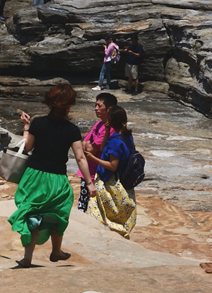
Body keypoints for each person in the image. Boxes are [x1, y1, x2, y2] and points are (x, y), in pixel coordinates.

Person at [10, 82, 96, 268]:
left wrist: (26, 126)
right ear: (69, 106)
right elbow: (80, 158)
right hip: (56, 179)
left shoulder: (38, 123)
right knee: (59, 213)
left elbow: (29, 147)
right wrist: (90, 183)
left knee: (32, 214)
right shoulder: (72, 130)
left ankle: (27, 258)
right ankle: (56, 251)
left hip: (34, 177)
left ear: (49, 103)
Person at [84, 104, 139, 239]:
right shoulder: (126, 136)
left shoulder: (116, 143)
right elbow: (103, 148)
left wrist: (92, 158)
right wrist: (107, 132)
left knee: (98, 211)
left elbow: (112, 165)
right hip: (122, 180)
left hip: (110, 181)